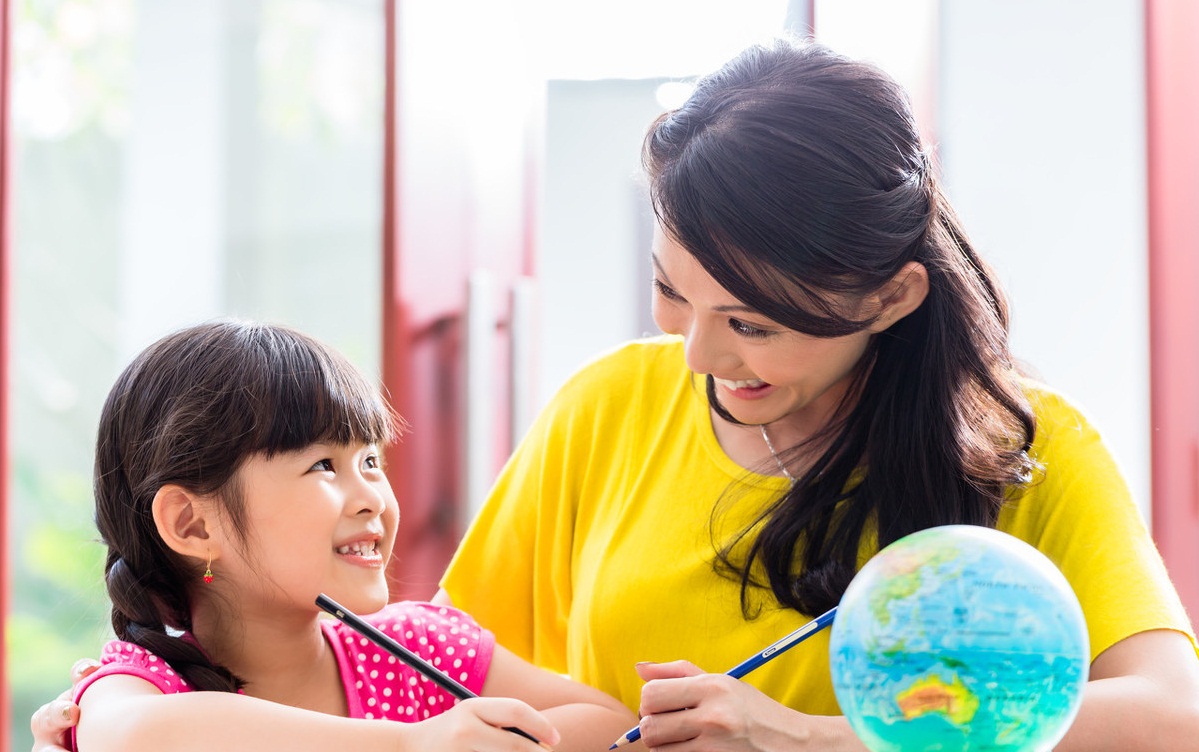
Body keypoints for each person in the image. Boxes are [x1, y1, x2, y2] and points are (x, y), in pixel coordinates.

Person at [31, 37, 1199, 751]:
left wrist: (816, 739)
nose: (696, 353)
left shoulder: (1018, 447)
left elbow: (1168, 717)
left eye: (751, 322)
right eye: (671, 293)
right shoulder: (607, 407)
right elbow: (438, 675)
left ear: (889, 300)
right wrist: (163, 706)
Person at [34, 319, 634, 752]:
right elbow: (139, 739)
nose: (373, 495)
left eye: (371, 461)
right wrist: (411, 747)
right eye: (323, 465)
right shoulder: (139, 688)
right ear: (193, 524)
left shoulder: (419, 651)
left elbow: (615, 726)